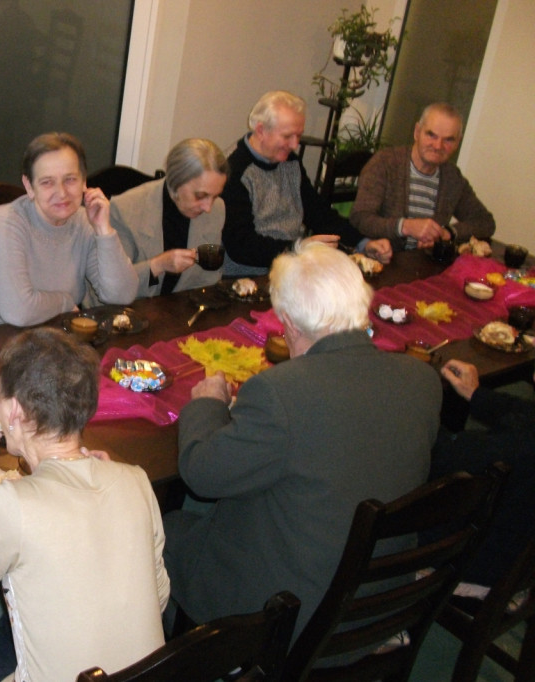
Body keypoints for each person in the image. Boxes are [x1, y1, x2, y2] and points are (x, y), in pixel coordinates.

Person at [164, 241, 441, 635]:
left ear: (290, 324)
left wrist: (208, 404)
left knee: (168, 527)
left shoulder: (280, 392)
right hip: (377, 598)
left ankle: (185, 653)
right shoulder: (421, 381)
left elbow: (201, 475)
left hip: (293, 613)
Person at [0, 328, 169, 681]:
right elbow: (158, 598)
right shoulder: (135, 479)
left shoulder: (11, 505)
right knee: (13, 615)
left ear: (14, 411)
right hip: (144, 675)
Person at [0, 132, 138, 333]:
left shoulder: (84, 222)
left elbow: (121, 296)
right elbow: (19, 311)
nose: (62, 193)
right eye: (47, 182)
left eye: (70, 179)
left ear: (84, 181)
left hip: (48, 334)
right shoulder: (5, 224)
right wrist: (65, 301)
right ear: (29, 187)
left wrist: (104, 230)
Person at [220, 90, 392, 276]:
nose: (295, 145)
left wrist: (363, 243)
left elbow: (317, 212)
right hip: (247, 275)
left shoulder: (290, 161)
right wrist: (299, 248)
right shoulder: (234, 169)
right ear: (261, 130)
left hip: (291, 266)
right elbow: (241, 245)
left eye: (298, 136)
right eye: (287, 136)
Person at [425, 359, 535, 592]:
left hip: (477, 572)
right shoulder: (525, 429)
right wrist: (475, 394)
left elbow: (440, 457)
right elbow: (524, 413)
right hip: (520, 561)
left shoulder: (505, 452)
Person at [351, 102, 496, 250]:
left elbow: (485, 222)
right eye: (431, 135)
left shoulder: (452, 178)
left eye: (448, 140)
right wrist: (405, 226)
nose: (438, 146)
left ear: (457, 143)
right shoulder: (385, 163)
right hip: (381, 261)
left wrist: (447, 233)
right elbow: (360, 218)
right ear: (417, 132)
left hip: (423, 264)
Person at [109, 138, 229, 297]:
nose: (208, 207)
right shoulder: (126, 210)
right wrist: (157, 265)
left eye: (215, 196)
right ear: (175, 183)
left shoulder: (217, 209)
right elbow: (113, 288)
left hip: (181, 310)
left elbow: (209, 280)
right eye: (201, 196)